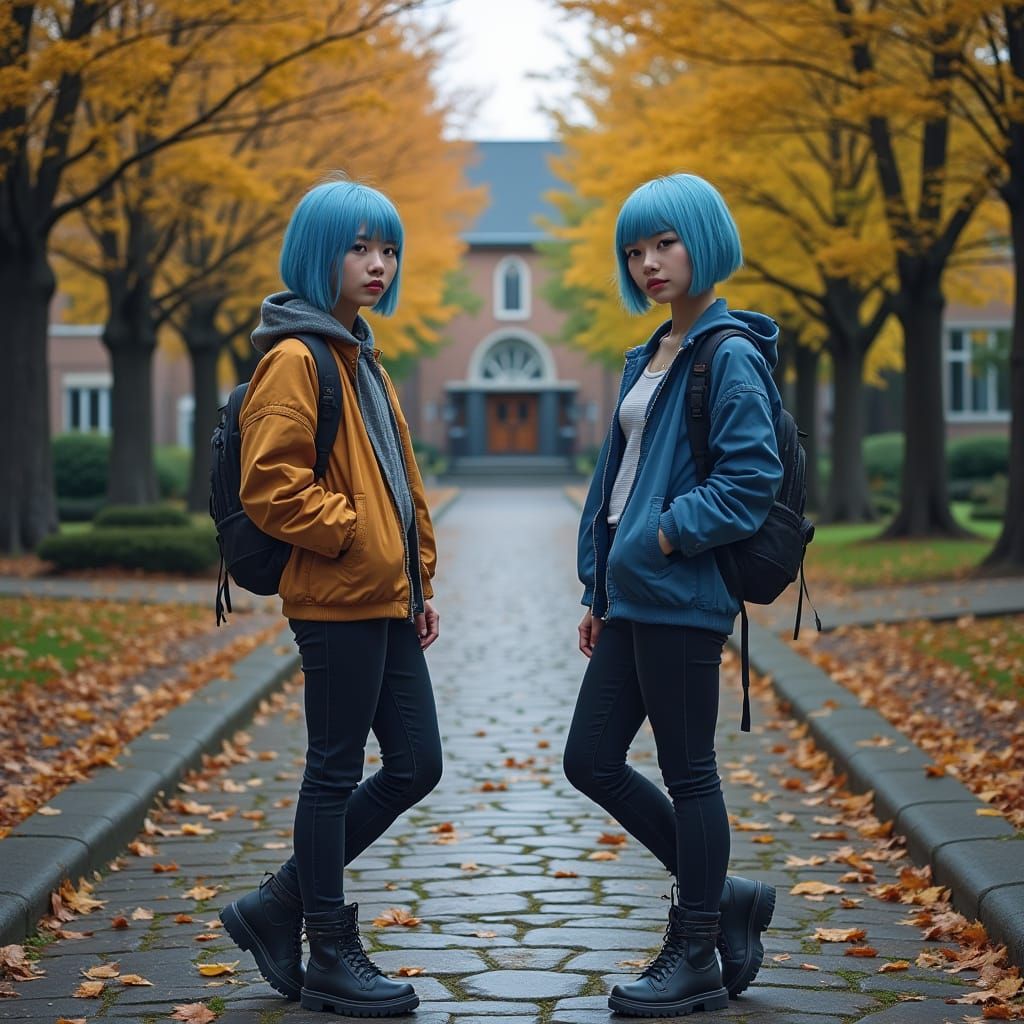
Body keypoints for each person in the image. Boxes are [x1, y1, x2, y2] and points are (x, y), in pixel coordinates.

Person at [218, 179, 442, 1017]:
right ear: (321, 254)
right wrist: (354, 537)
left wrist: (414, 576)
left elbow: (398, 481)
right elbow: (270, 485)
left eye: (387, 249)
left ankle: (277, 907)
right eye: (359, 248)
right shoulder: (296, 356)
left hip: (382, 600)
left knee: (418, 763)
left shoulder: (358, 354)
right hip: (335, 600)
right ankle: (327, 945)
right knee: (334, 770)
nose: (378, 263)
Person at [564, 173, 781, 1017]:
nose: (649, 262)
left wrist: (662, 533)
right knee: (590, 759)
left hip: (681, 594)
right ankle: (721, 899)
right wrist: (599, 581)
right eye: (636, 250)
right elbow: (615, 479)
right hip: (630, 595)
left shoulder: (726, 354)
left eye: (665, 243)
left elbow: (750, 480)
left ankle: (694, 949)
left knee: (690, 774)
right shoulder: (653, 352)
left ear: (703, 241)